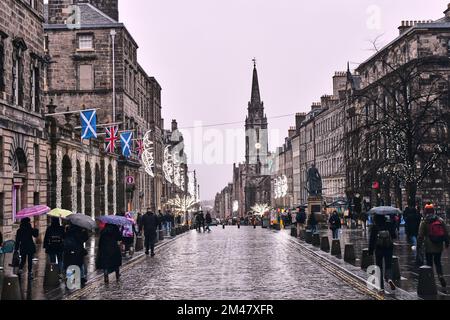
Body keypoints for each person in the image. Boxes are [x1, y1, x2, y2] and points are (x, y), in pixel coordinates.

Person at [417, 204, 449, 292]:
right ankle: (440, 275)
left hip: (428, 246)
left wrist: (419, 245)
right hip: (438, 245)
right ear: (433, 211)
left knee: (429, 263)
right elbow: (446, 232)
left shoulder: (424, 221)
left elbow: (420, 235)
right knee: (438, 262)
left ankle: (431, 279)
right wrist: (447, 242)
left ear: (425, 211)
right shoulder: (440, 220)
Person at [368, 214, 397, 292]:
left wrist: (370, 251)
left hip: (378, 249)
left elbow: (372, 240)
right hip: (388, 248)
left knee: (379, 267)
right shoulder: (389, 224)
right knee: (388, 265)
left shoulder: (375, 227)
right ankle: (389, 279)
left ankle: (381, 287)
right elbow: (394, 236)